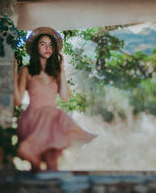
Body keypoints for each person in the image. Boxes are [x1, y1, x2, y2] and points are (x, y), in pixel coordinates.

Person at [14, 27, 96, 172]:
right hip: (33, 119)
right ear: (35, 48)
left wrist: (62, 69)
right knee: (35, 165)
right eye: (43, 44)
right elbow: (18, 100)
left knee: (52, 162)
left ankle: (53, 191)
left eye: (51, 44)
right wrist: (14, 73)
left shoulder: (56, 72)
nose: (48, 48)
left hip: (53, 120)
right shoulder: (27, 71)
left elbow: (64, 98)